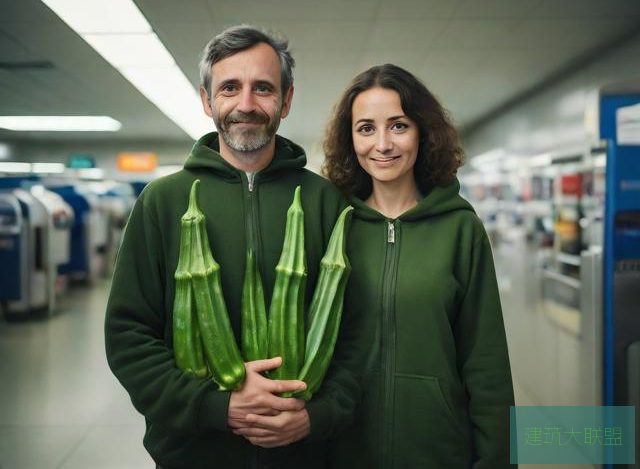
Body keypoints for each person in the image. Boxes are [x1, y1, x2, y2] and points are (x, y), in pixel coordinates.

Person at [104, 25, 361, 469]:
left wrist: (318, 416)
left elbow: (357, 333)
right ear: (207, 101)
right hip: (194, 453)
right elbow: (128, 336)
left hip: (303, 454)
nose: (246, 104)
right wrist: (214, 406)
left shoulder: (326, 203)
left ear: (286, 99)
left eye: (263, 88)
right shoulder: (162, 202)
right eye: (230, 88)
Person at [322, 64, 515, 468]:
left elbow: (486, 363)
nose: (382, 144)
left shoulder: (461, 229)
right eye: (366, 128)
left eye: (398, 126)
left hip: (438, 449)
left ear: (422, 132)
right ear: (350, 138)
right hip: (343, 449)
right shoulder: (332, 227)